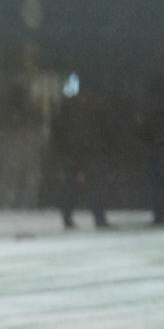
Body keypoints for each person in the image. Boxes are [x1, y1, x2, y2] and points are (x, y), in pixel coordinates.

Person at [50, 75, 110, 229]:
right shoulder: (97, 107)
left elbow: (57, 130)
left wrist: (59, 149)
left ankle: (67, 217)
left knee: (70, 186)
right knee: (95, 185)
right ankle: (99, 218)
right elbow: (104, 130)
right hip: (90, 150)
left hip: (72, 150)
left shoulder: (68, 106)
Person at [136, 75, 164, 226]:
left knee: (156, 185)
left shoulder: (150, 108)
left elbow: (143, 130)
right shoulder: (153, 110)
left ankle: (158, 214)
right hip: (157, 148)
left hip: (154, 148)